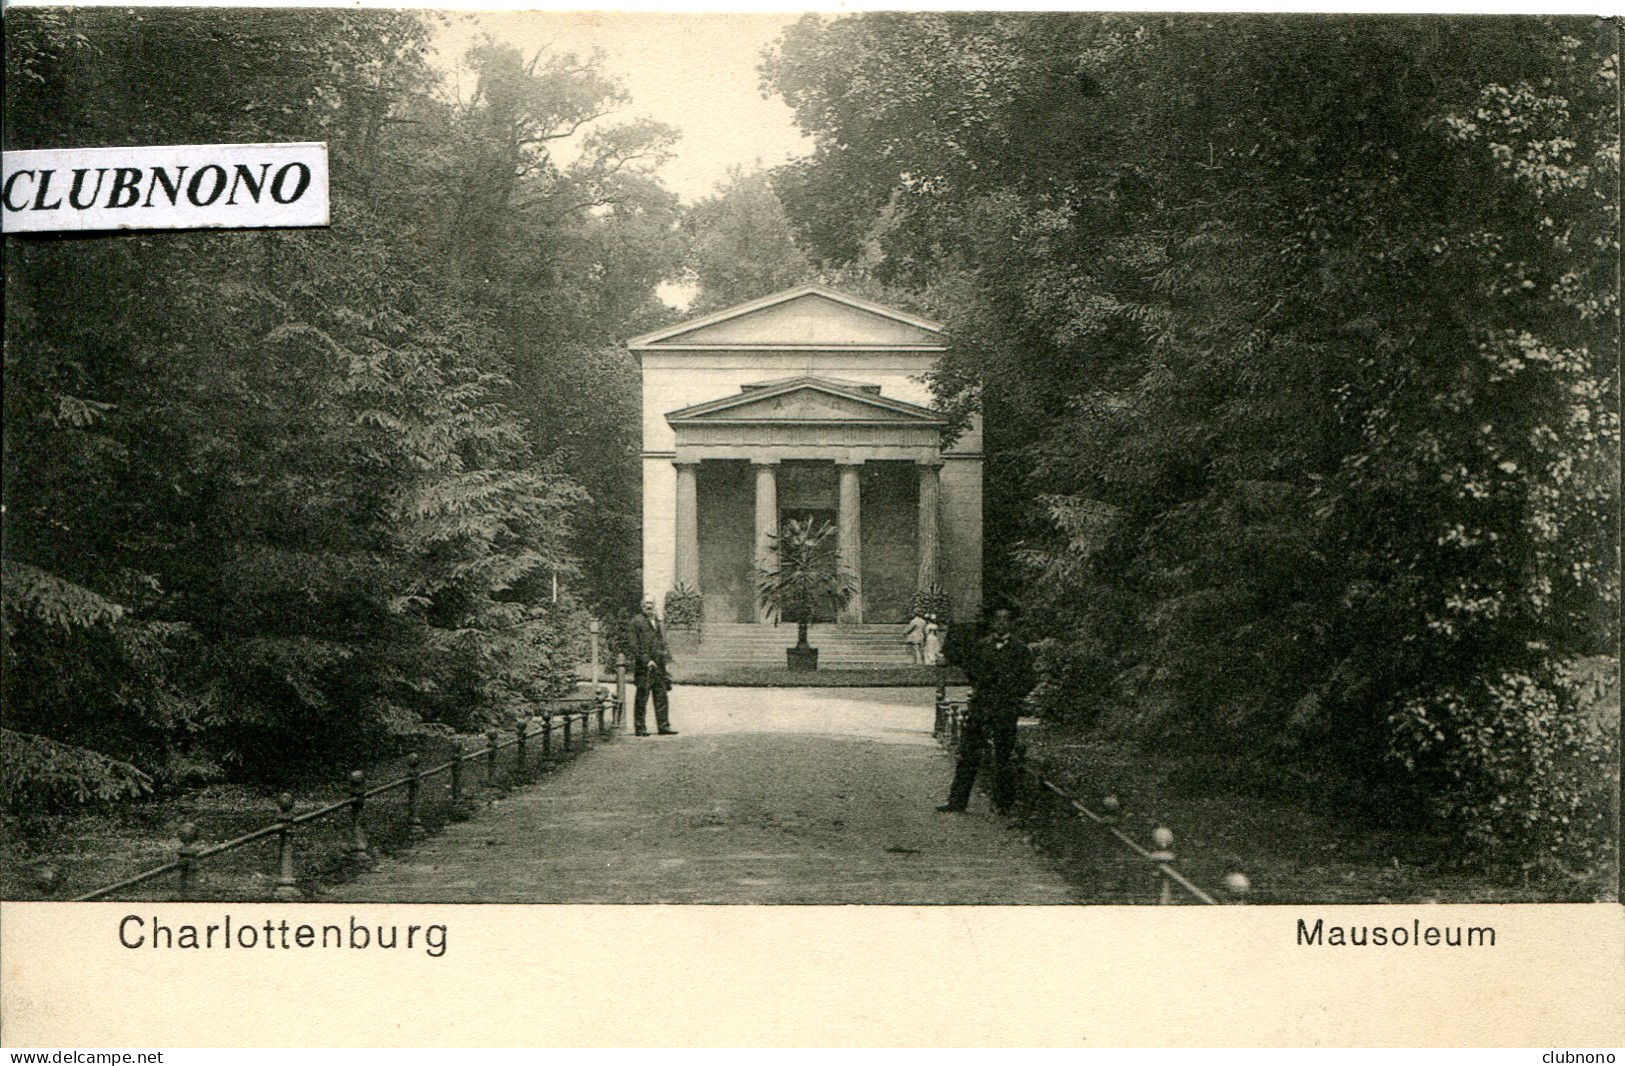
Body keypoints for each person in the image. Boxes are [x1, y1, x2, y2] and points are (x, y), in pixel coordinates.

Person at [938, 609, 1032, 815]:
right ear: (992, 624)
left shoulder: (1020, 649)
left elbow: (1028, 679)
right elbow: (971, 670)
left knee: (1003, 756)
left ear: (1010, 625)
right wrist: (981, 687)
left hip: (1005, 708)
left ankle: (1004, 805)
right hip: (981, 706)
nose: (1000, 625)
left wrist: (1012, 694)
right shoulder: (982, 646)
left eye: (1005, 621)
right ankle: (957, 801)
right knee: (969, 754)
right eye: (997, 620)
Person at [624, 597, 678, 737]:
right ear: (641, 605)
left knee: (661, 695)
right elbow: (633, 645)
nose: (649, 606)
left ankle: (663, 726)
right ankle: (640, 727)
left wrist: (666, 660)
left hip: (659, 666)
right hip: (644, 667)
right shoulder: (636, 621)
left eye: (651, 604)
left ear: (654, 605)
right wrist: (646, 660)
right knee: (642, 696)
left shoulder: (658, 621)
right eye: (646, 604)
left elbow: (662, 642)